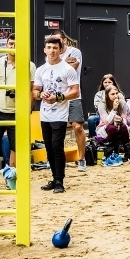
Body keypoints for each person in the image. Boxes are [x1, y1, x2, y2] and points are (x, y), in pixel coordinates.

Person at [0, 33, 36, 190]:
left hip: (17, 112)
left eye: (16, 44)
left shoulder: (29, 65)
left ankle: (11, 177)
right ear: (6, 45)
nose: (13, 47)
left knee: (16, 147)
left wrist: (27, 110)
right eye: (11, 44)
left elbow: (31, 90)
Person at [33, 37, 80, 194]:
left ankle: (60, 180)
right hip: (44, 114)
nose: (52, 50)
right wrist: (41, 94)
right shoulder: (41, 70)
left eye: (55, 47)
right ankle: (54, 178)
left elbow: (75, 91)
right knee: (48, 147)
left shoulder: (68, 69)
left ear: (60, 50)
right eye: (49, 47)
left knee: (57, 146)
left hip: (60, 114)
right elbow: (34, 91)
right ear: (44, 50)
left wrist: (59, 97)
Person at [52, 29, 88, 172]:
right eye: (52, 43)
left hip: (73, 95)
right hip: (57, 96)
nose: (54, 46)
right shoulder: (51, 53)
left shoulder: (75, 52)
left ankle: (82, 159)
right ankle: (57, 159)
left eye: (57, 42)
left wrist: (60, 64)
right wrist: (63, 64)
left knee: (78, 126)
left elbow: (70, 70)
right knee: (57, 130)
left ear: (64, 41)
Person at [95, 85, 130, 156]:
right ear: (107, 95)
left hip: (119, 125)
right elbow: (106, 122)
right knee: (112, 128)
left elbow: (125, 119)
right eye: (112, 94)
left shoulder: (122, 103)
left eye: (117, 93)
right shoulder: (101, 104)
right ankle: (109, 153)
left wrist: (121, 120)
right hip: (104, 127)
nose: (115, 96)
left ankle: (128, 152)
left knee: (123, 127)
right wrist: (114, 109)